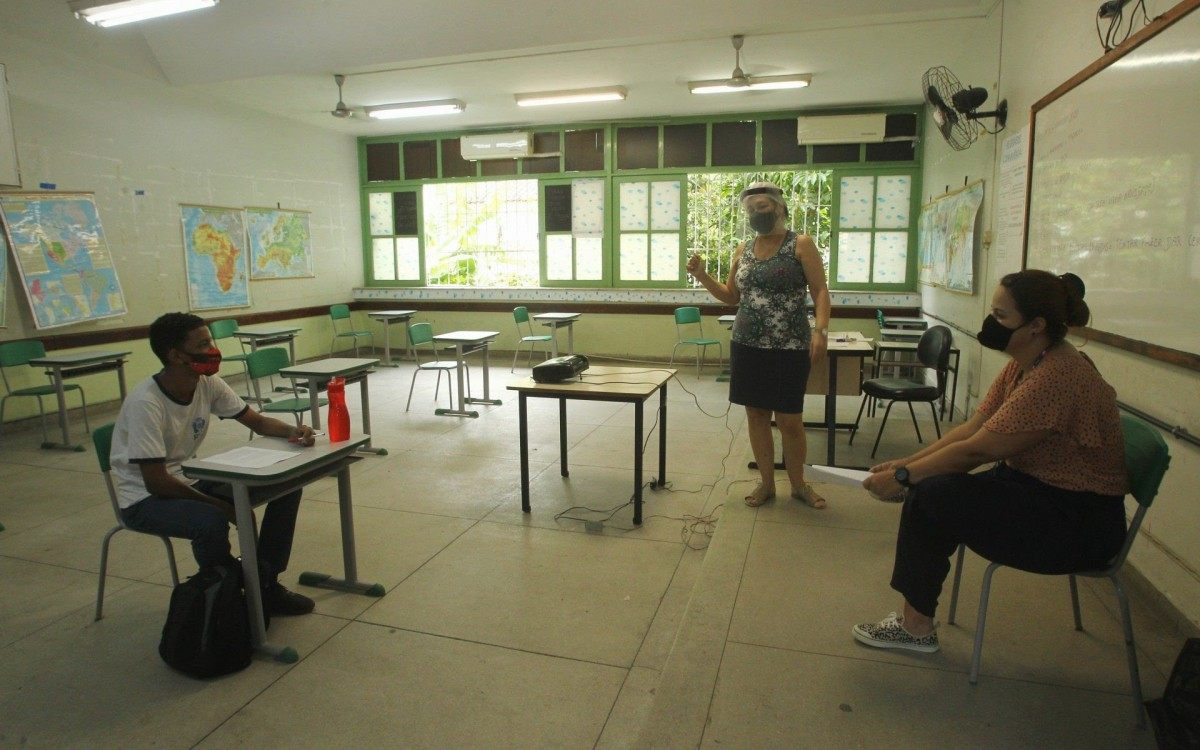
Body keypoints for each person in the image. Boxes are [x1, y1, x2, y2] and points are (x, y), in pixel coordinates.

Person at [852, 270, 1128, 653]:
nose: (990, 323)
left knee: (932, 495)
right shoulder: (1028, 361)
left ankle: (915, 628)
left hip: (1078, 522)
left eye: (1000, 316)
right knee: (929, 488)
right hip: (1038, 491)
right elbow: (974, 428)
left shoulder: (1058, 375)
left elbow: (978, 451)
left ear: (1036, 325)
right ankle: (916, 622)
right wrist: (907, 464)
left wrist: (904, 476)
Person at [111, 312, 317, 617]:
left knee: (285, 485)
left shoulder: (207, 383)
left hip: (189, 478)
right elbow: (156, 481)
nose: (213, 350)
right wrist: (220, 505)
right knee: (210, 520)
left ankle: (265, 584)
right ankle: (225, 598)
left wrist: (293, 431)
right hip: (144, 499)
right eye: (203, 344)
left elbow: (257, 422)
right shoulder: (146, 403)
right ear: (176, 355)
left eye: (211, 341)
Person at [686, 180, 832, 509]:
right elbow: (731, 297)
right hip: (747, 344)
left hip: (790, 345)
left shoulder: (800, 244)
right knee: (756, 414)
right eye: (750, 210)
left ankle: (799, 484)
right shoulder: (743, 249)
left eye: (762, 207)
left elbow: (820, 291)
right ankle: (766, 483)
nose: (756, 213)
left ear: (779, 208)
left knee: (789, 419)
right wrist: (702, 276)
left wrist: (821, 331)